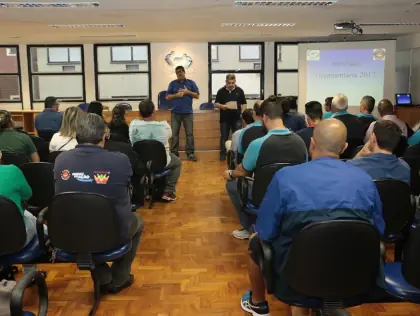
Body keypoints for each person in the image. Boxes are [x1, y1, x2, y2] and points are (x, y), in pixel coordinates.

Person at [240, 119, 385, 316]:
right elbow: (379, 230)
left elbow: (266, 231)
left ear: (312, 143)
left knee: (255, 240)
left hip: (297, 275)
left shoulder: (286, 177)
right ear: (344, 147)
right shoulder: (365, 179)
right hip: (351, 272)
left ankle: (258, 304)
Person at [54, 114, 143, 294]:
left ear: (76, 135)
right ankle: (119, 278)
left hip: (70, 233)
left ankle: (103, 276)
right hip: (110, 234)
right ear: (104, 135)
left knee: (91, 222)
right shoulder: (120, 160)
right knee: (137, 221)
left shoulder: (60, 160)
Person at [224, 97, 307, 240]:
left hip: (264, 197)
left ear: (264, 117)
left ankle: (249, 227)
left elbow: (242, 170)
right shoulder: (300, 141)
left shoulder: (258, 144)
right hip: (293, 197)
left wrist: (230, 174)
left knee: (231, 183)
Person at [129, 99, 182, 202]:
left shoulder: (133, 125)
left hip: (140, 162)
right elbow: (170, 136)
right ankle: (168, 192)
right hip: (161, 162)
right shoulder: (164, 126)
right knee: (178, 163)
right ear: (154, 112)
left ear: (139, 113)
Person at [166, 66, 200, 161]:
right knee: (174, 135)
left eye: (181, 71)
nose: (179, 73)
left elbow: (197, 95)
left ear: (184, 72)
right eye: (177, 72)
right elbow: (167, 97)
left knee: (189, 134)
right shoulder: (172, 84)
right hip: (175, 113)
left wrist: (187, 92)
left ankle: (190, 154)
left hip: (188, 113)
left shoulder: (191, 83)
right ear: (176, 74)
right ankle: (174, 154)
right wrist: (176, 95)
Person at [215, 74, 247, 161]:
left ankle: (237, 154)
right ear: (226, 82)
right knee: (224, 136)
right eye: (229, 83)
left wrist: (242, 112)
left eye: (233, 83)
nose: (231, 85)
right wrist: (222, 106)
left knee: (237, 136)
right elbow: (216, 103)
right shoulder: (221, 91)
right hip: (224, 118)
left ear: (235, 82)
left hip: (236, 118)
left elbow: (244, 103)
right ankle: (222, 154)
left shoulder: (240, 91)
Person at [331, 94, 364, 159]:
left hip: (336, 161)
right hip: (356, 159)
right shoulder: (359, 121)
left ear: (332, 107)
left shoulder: (330, 124)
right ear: (347, 107)